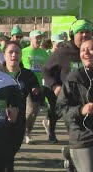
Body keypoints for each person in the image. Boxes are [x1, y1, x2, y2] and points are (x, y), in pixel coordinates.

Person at [43, 20, 93, 144]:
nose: (85, 35)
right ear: (72, 35)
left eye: (87, 32)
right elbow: (46, 70)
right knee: (76, 131)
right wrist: (55, 86)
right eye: (80, 32)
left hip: (89, 98)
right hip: (69, 98)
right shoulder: (62, 53)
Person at [56, 39, 93, 172]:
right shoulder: (74, 78)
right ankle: (72, 156)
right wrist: (81, 110)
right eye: (83, 50)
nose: (87, 53)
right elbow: (60, 109)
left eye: (91, 49)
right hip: (82, 135)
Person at [1, 41, 39, 171]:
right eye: (10, 52)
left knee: (12, 151)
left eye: (17, 52)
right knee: (4, 155)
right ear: (4, 55)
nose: (14, 55)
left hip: (19, 120)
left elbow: (36, 89)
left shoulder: (27, 75)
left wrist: (35, 91)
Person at [21, 30, 49, 144]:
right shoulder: (24, 52)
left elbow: (47, 69)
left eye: (40, 38)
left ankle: (27, 132)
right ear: (30, 39)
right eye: (36, 38)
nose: (39, 40)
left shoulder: (44, 53)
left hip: (39, 85)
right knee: (30, 109)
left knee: (35, 112)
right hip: (26, 84)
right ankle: (25, 133)